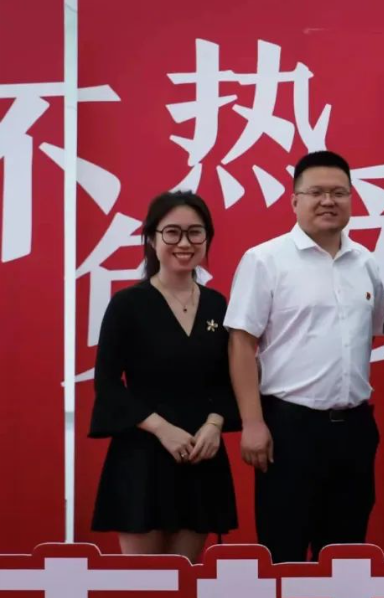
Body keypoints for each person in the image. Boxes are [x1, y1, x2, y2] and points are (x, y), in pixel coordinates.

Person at [225, 150, 384, 563]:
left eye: (339, 193)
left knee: (346, 555)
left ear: (351, 199)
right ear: (295, 200)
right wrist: (253, 422)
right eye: (316, 192)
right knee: (284, 554)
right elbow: (241, 343)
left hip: (353, 429)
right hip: (288, 430)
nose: (328, 201)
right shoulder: (265, 260)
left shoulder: (365, 263)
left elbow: (370, 334)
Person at [89, 191, 238, 562]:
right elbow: (107, 384)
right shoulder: (127, 305)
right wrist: (162, 429)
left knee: (186, 576)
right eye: (172, 232)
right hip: (142, 457)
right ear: (152, 239)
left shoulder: (218, 304)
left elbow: (229, 378)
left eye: (195, 232)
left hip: (200, 454)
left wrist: (215, 424)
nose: (184, 243)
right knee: (144, 582)